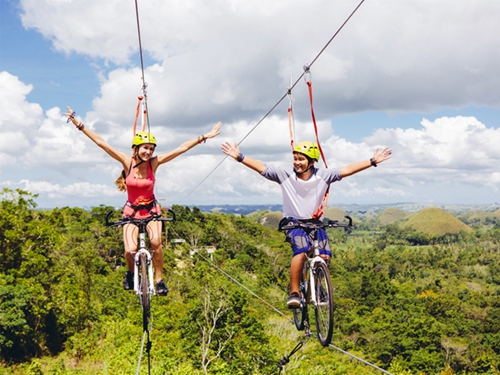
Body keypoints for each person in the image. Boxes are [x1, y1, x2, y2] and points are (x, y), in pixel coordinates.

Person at [65, 106, 221, 296]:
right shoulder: (127, 162)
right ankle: (130, 273)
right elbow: (102, 143)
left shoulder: (153, 164)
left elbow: (180, 149)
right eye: (145, 148)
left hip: (151, 209)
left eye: (151, 149)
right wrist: (78, 124)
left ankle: (159, 280)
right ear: (136, 148)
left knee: (156, 242)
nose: (148, 152)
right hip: (131, 211)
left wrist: (204, 136)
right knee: (130, 249)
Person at [221, 140, 391, 308]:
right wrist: (239, 157)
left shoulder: (323, 176)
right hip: (292, 222)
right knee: (302, 251)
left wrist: (372, 161)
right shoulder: (285, 175)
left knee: (325, 256)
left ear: (312, 161)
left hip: (315, 223)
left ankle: (317, 287)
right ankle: (294, 292)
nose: (297, 163)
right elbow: (262, 168)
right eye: (295, 158)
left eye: (301, 159)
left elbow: (346, 170)